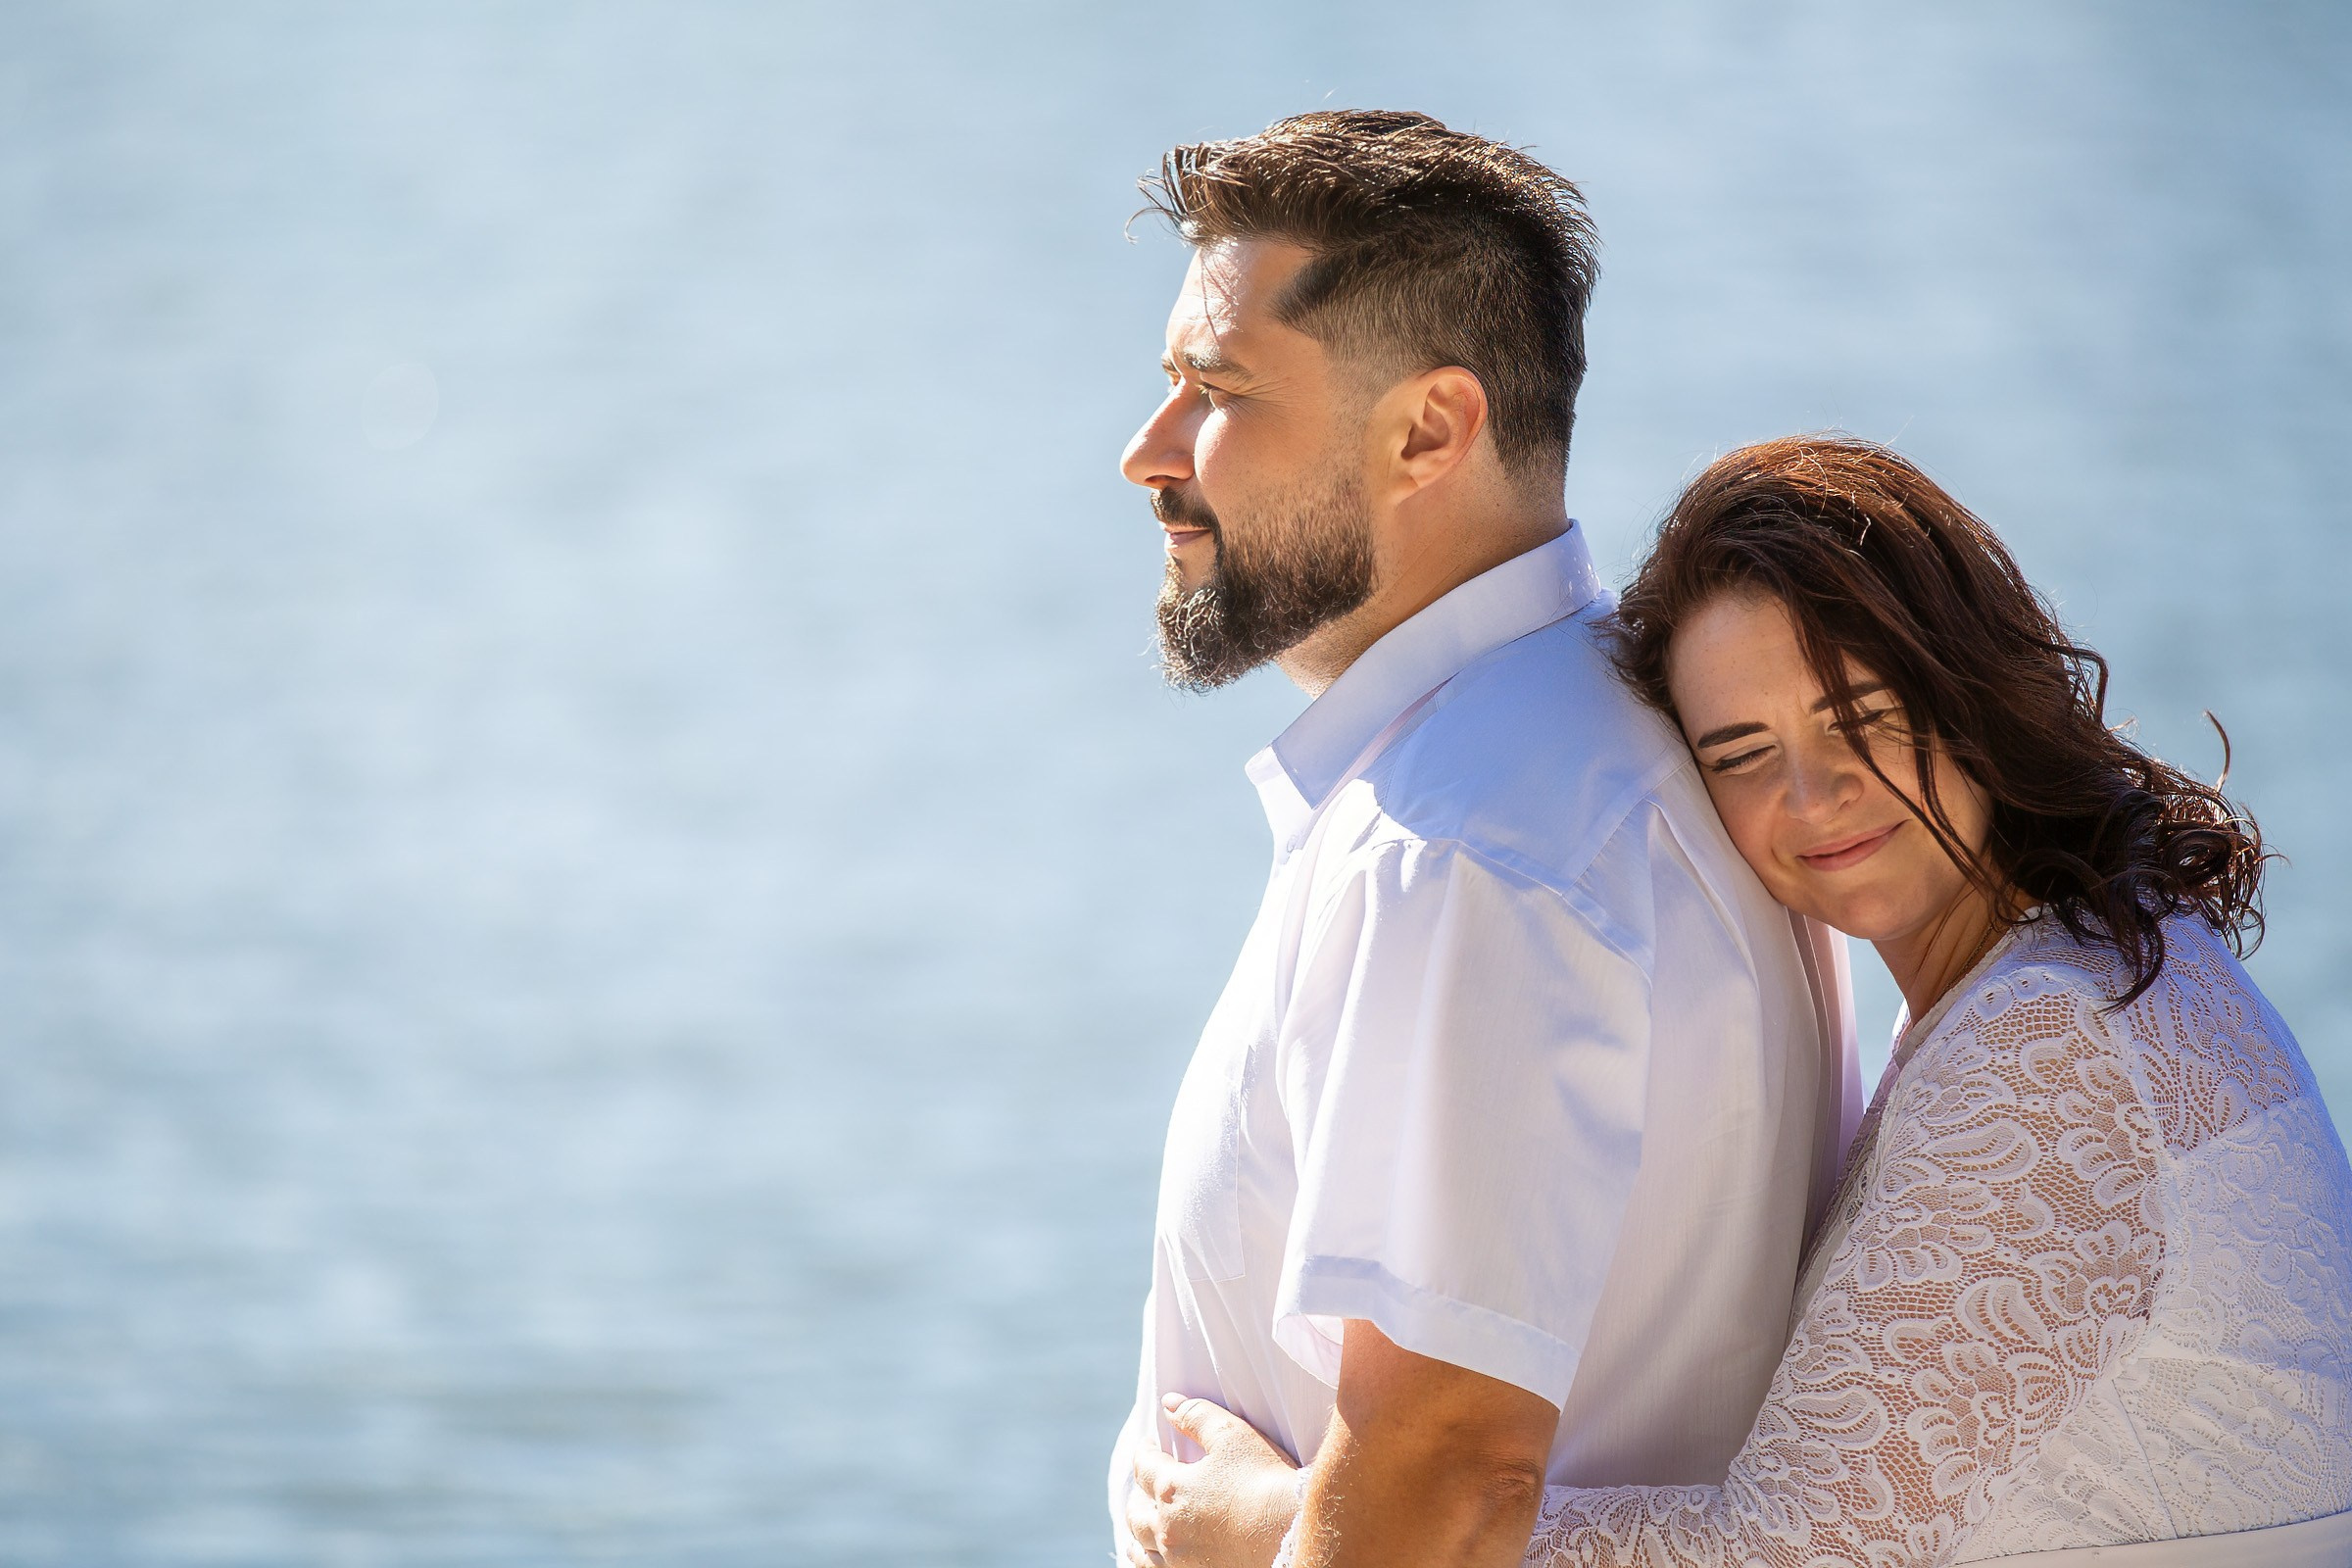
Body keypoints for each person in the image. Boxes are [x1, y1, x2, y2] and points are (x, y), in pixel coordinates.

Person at [1136, 436, 2352, 1567]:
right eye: (1741, 755)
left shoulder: (2051, 1045)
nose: (1814, 796)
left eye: (1861, 719)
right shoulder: (2089, 966)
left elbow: (1782, 1554)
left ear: (1969, 686)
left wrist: (1283, 1523)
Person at [1109, 113, 1860, 1568]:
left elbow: (1447, 1473)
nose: (1148, 453)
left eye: (1217, 390)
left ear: (1429, 431)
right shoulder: (1597, 742)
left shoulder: (1465, 843)